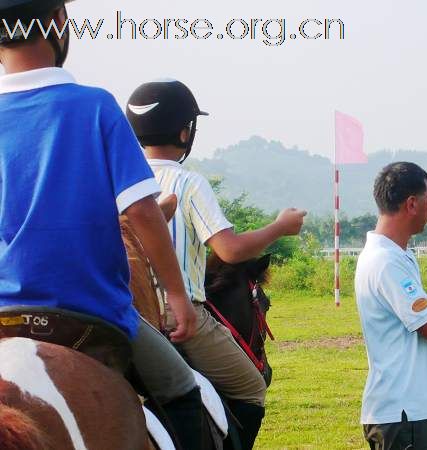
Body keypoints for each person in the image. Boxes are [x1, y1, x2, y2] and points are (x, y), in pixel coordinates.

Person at [0, 1, 205, 448]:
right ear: (58, 23)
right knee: (185, 392)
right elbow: (141, 211)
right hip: (90, 316)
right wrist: (175, 294)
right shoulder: (94, 105)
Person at [126, 79, 307, 449]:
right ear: (184, 131)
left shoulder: (119, 180)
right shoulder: (188, 183)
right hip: (180, 316)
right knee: (251, 386)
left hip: (127, 313)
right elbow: (229, 251)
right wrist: (280, 227)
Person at [355, 162, 427, 450]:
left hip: (410, 408)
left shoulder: (399, 255)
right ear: (412, 204)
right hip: (401, 411)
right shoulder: (385, 261)